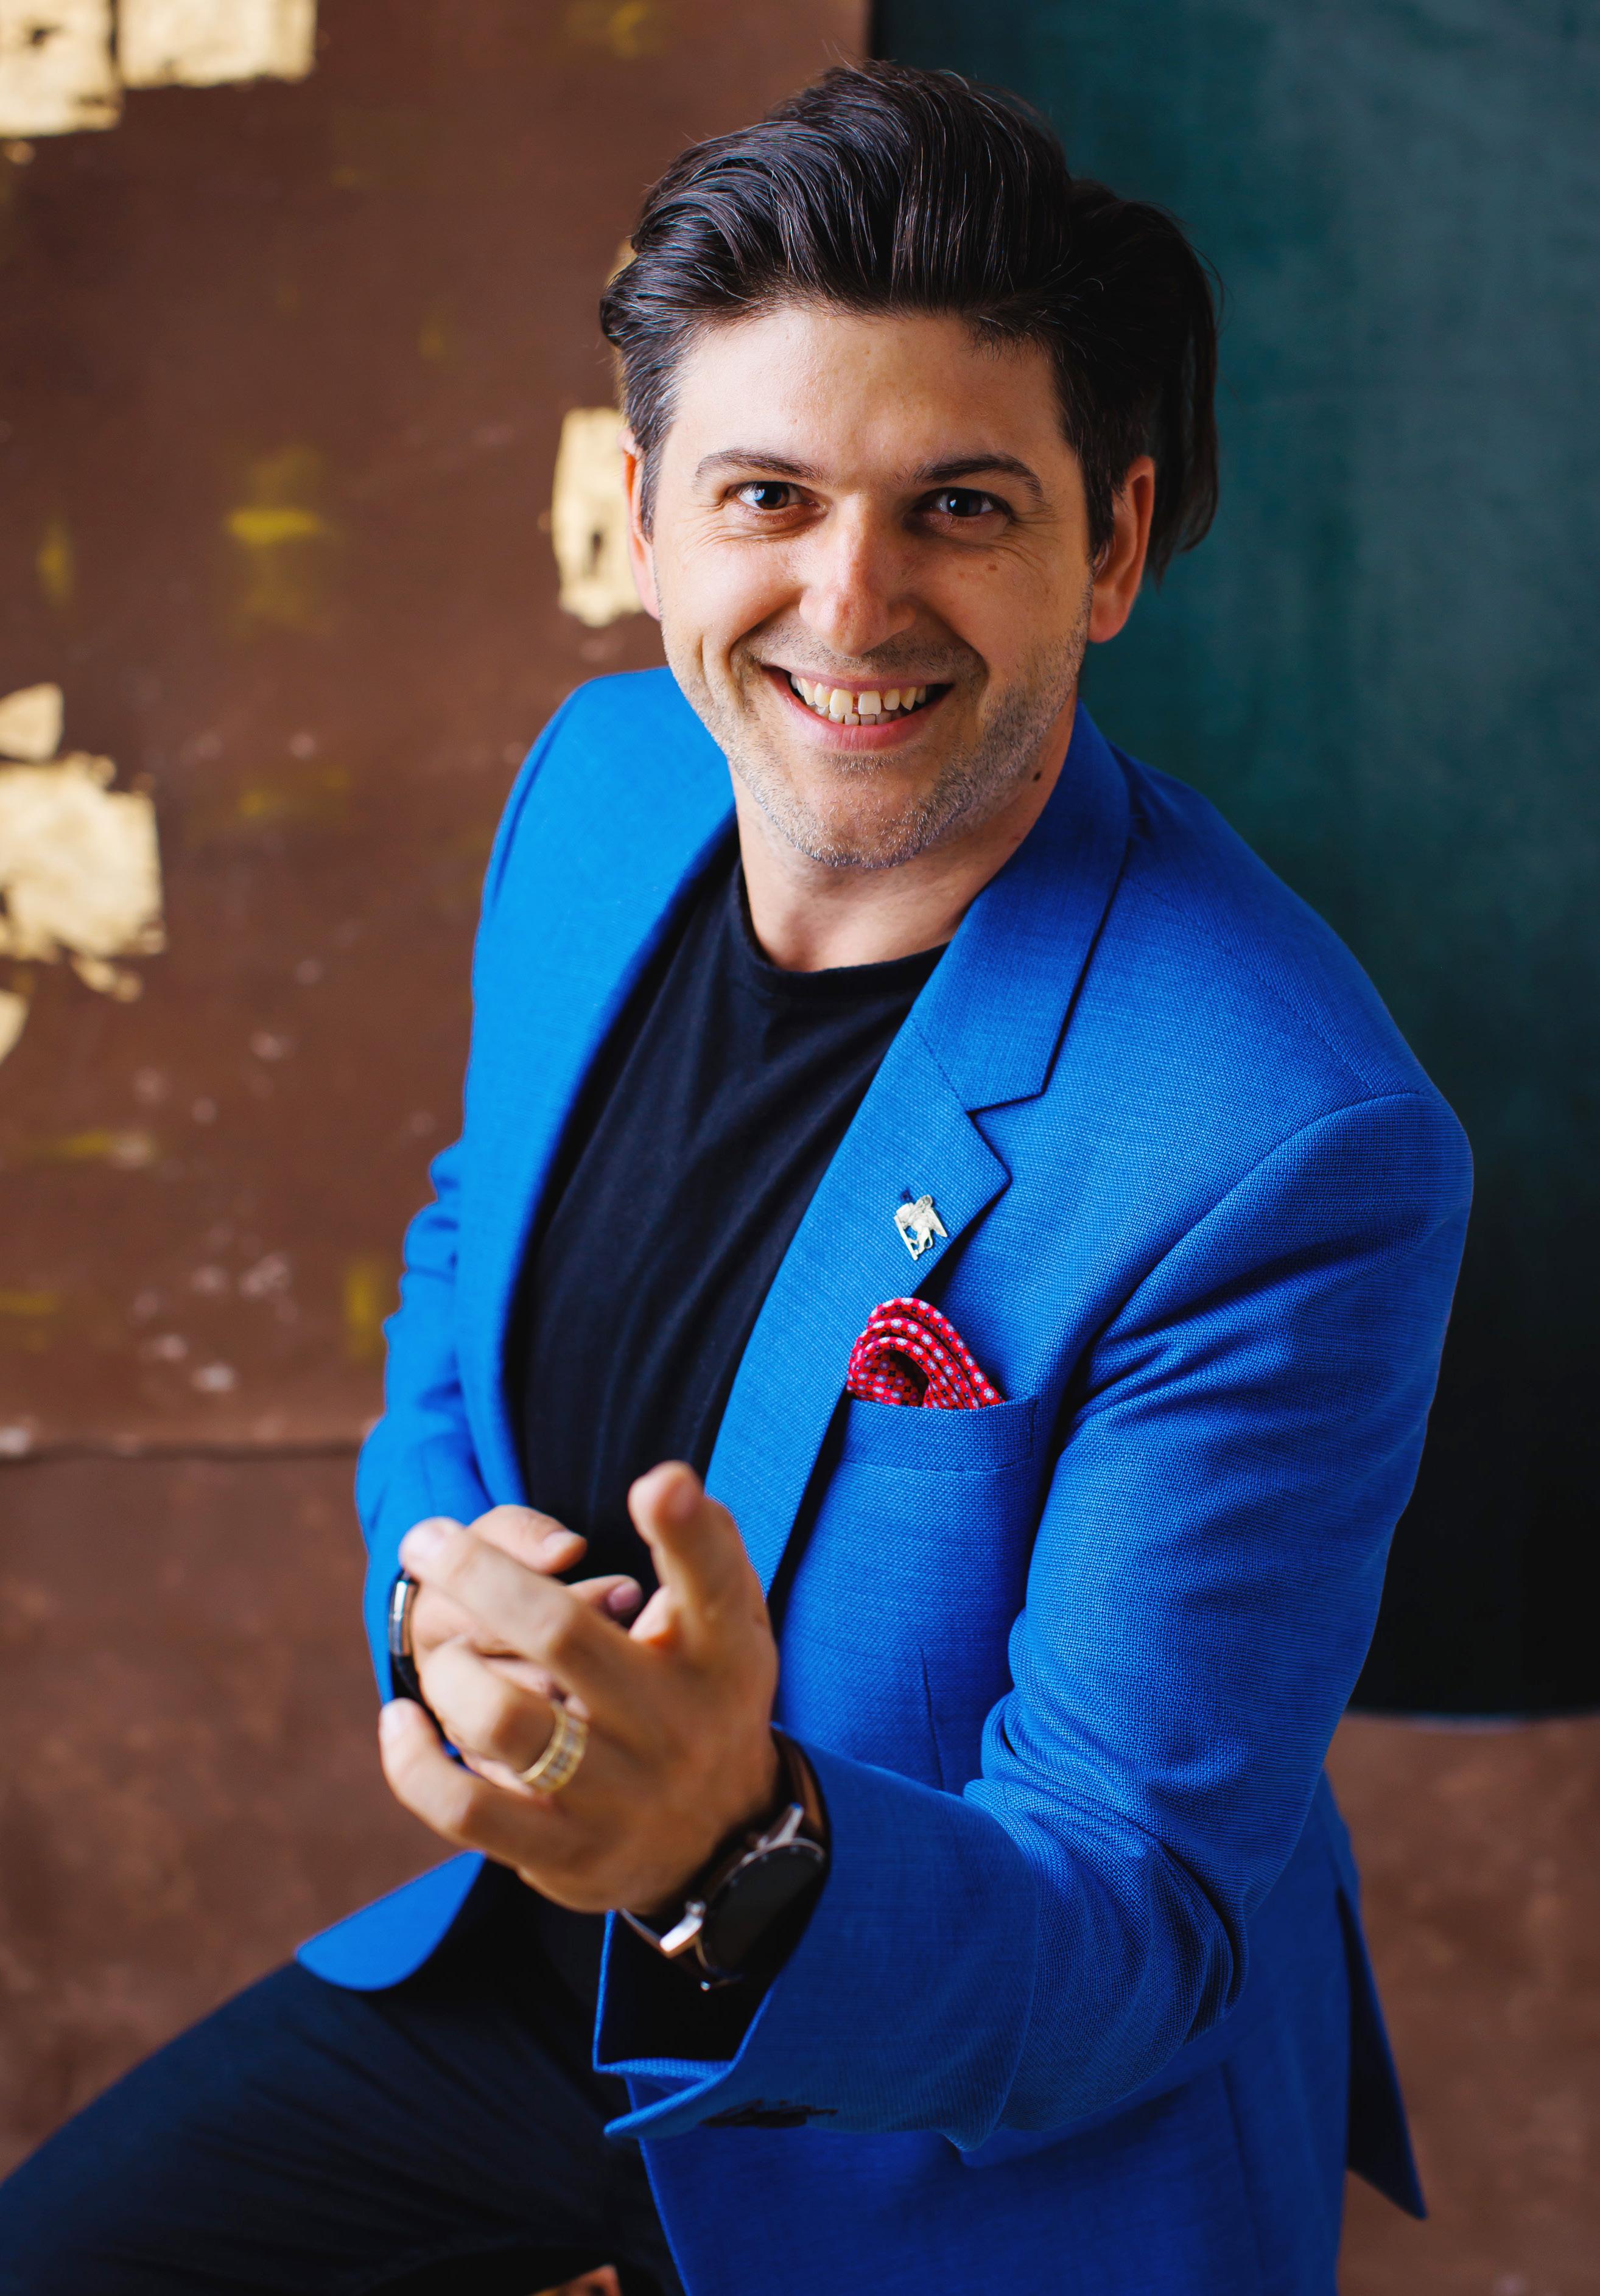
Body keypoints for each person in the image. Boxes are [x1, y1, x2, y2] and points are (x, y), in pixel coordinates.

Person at [0, 61, 1470, 2296]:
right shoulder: (599, 787)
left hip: (964, 2141)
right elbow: (463, 1251)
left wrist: (731, 1841)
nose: (849, 603)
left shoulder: (1288, 1143)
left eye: (959, 506)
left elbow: (1129, 1919)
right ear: (647, 515)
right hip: (539, 1978)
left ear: (1111, 544)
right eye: (767, 494)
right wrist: (438, 1592)